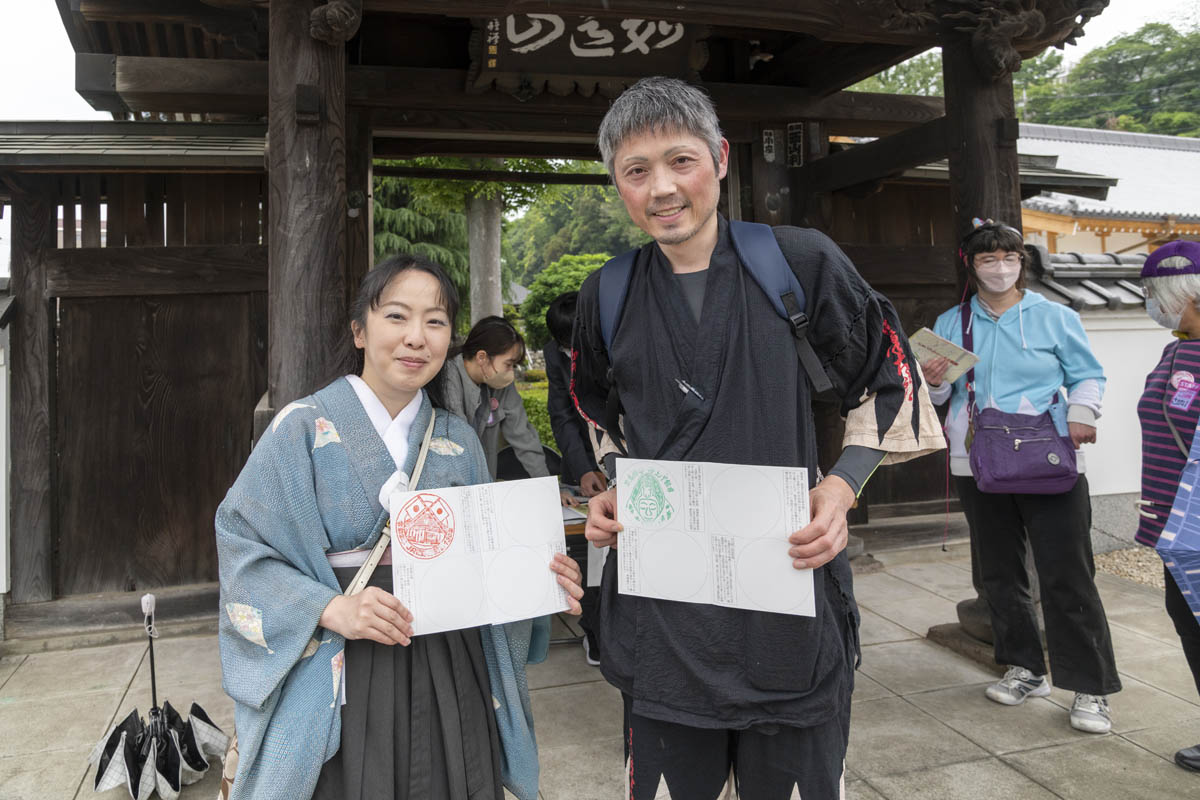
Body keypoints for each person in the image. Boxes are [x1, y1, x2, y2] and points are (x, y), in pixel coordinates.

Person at [573, 76, 944, 798]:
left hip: (790, 598)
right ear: (616, 183)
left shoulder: (799, 264)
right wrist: (613, 487)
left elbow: (892, 378)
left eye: (680, 161)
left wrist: (839, 490)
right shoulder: (608, 292)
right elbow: (595, 412)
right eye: (636, 171)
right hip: (666, 615)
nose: (662, 189)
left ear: (719, 158)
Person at [216, 255, 585, 800]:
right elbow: (242, 544)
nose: (417, 337)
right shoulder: (298, 429)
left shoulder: (457, 440)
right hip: (342, 659)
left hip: (449, 659)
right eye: (396, 316)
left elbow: (488, 559)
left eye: (435, 322)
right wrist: (331, 607)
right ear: (359, 330)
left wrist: (540, 576)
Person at [920, 220, 1121, 734]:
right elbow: (939, 400)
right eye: (988, 259)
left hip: (1047, 455)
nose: (1000, 267)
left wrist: (1084, 413)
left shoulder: (1054, 316)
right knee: (1000, 571)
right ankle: (1026, 667)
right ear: (971, 264)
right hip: (978, 460)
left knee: (1067, 571)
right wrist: (935, 384)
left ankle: (1091, 689)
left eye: (1009, 257)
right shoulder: (950, 323)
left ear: (1021, 263)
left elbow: (1088, 374)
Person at [1134, 239, 1200, 772]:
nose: (1150, 304)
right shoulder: (1177, 348)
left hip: (1195, 520)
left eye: (1153, 293)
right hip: (1174, 521)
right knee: (1187, 619)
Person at [443, 315, 573, 505]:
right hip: (451, 494)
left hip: (483, 491)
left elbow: (524, 437)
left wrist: (548, 489)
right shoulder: (447, 379)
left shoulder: (499, 382)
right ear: (482, 358)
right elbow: (458, 445)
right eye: (508, 364)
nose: (511, 372)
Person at [544, 291, 607, 666]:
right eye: (564, 346)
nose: (569, 353)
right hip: (581, 459)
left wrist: (610, 459)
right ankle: (595, 631)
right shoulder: (555, 355)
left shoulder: (613, 342)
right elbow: (562, 413)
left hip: (621, 452)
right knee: (587, 551)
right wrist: (584, 467)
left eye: (575, 345)